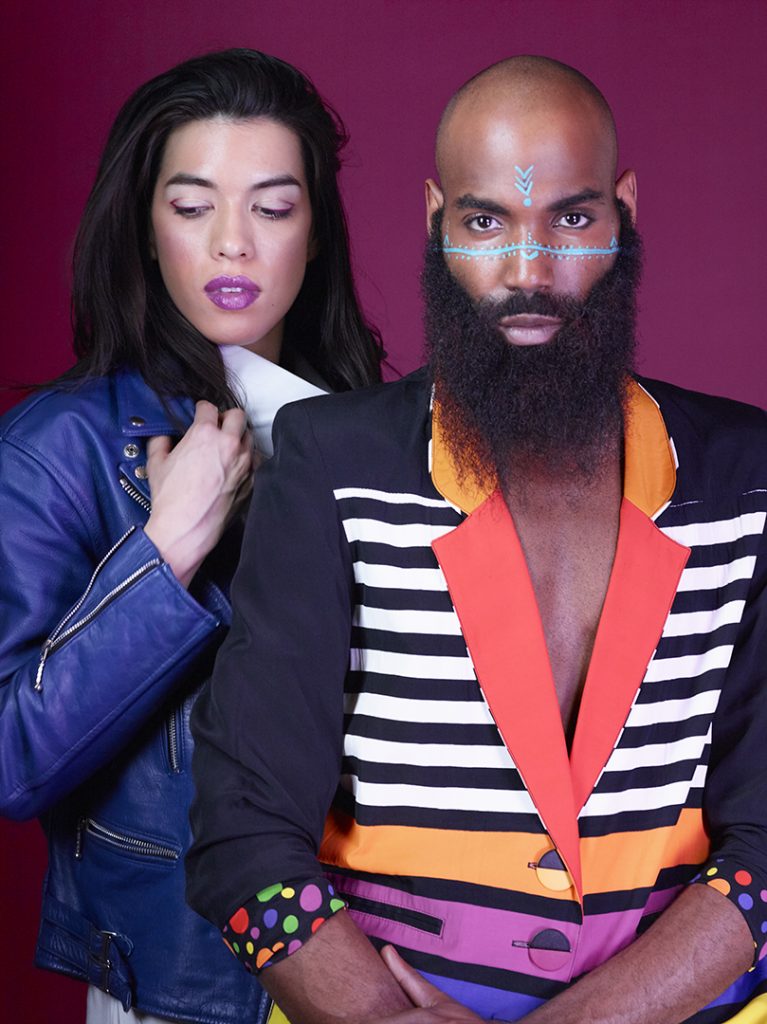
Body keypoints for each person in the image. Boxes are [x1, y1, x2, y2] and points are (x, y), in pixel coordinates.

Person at [186, 56, 767, 1024]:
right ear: (434, 220)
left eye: (570, 220)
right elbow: (240, 830)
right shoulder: (335, 465)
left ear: (622, 211)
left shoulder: (744, 477)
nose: (527, 272)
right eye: (486, 221)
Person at [0, 48, 382, 1024]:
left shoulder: (378, 430)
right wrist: (161, 557)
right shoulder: (62, 448)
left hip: (386, 968)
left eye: (270, 204)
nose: (231, 245)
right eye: (191, 203)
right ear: (143, 223)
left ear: (314, 230)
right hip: (184, 985)